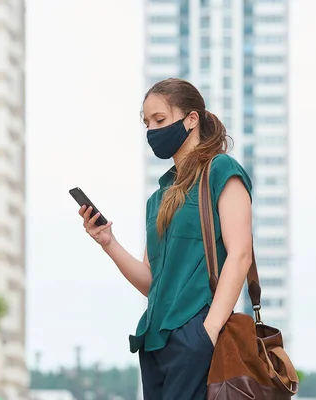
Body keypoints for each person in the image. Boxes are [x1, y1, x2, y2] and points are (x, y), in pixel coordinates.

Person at [78, 78, 253, 399]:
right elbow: (153, 283)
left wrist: (209, 331)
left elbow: (240, 254)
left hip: (197, 331)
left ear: (191, 119)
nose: (152, 131)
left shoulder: (220, 170)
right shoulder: (159, 198)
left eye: (160, 120)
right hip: (155, 338)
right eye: (146, 123)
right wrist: (108, 242)